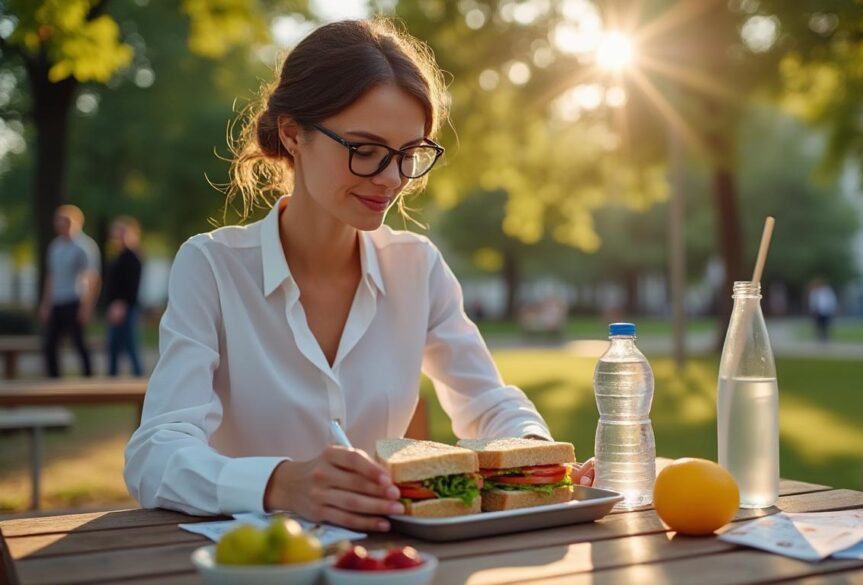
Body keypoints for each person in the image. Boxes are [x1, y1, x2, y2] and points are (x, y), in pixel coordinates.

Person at [124, 19, 594, 532]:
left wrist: (534, 457)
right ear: (292, 133)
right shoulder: (212, 267)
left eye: (408, 155)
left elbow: (487, 401)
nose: (392, 179)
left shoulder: (417, 266)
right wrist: (282, 483)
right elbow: (156, 453)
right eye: (365, 151)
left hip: (385, 562)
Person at [39, 204, 100, 378]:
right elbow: (51, 277)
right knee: (50, 344)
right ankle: (54, 380)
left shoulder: (84, 246)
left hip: (74, 300)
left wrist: (87, 307)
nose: (61, 224)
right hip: (57, 301)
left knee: (79, 343)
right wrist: (45, 304)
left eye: (65, 221)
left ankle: (88, 379)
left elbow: (92, 277)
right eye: (58, 220)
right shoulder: (55, 247)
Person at [105, 216, 145, 377]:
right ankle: (111, 379)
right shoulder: (118, 256)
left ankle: (139, 379)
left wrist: (120, 305)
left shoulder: (133, 257)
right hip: (116, 307)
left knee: (131, 347)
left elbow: (131, 286)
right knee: (113, 347)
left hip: (126, 308)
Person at [808, 278, 838, 342]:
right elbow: (812, 302)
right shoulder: (814, 291)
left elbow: (832, 301)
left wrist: (832, 309)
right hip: (817, 311)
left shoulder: (827, 291)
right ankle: (819, 339)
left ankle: (826, 339)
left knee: (826, 325)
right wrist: (812, 310)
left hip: (826, 311)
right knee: (818, 326)